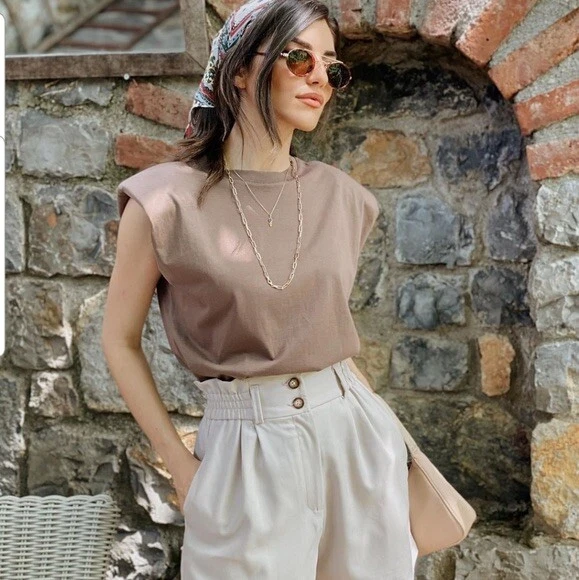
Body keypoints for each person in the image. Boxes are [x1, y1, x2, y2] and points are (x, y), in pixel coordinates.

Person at [102, 0, 419, 578]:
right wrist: (179, 465)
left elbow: (324, 332)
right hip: (244, 448)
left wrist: (389, 442)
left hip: (354, 437)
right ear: (241, 70)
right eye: (299, 59)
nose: (320, 78)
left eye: (332, 67)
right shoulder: (163, 202)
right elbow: (118, 342)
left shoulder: (343, 197)